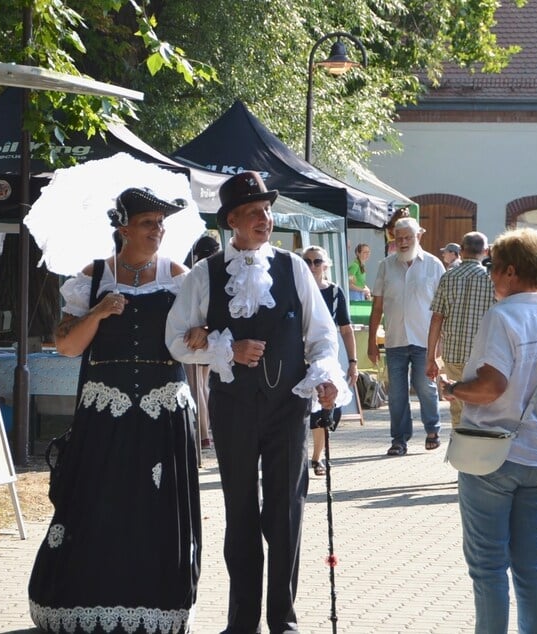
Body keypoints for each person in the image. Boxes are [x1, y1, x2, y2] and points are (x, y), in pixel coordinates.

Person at [166, 171, 346, 634]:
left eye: (267, 210)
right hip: (232, 406)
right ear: (232, 221)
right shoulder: (203, 275)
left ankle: (282, 618)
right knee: (240, 509)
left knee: (285, 511)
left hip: (288, 407)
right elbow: (175, 341)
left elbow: (323, 337)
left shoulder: (293, 268)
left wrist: (325, 376)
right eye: (254, 212)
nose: (265, 218)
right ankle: (241, 621)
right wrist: (224, 350)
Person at [28, 187, 202, 634]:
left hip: (163, 412)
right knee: (99, 503)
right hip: (106, 413)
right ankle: (87, 599)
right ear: (123, 227)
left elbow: (192, 343)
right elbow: (66, 346)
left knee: (155, 508)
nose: (157, 231)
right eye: (148, 223)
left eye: (161, 224)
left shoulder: (179, 276)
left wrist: (201, 333)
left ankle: (160, 606)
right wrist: (100, 312)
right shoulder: (94, 277)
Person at [439, 228, 537, 634]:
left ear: (511, 272)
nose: (490, 276)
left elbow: (490, 387)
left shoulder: (502, 317)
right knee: (532, 562)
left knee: (488, 566)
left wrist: (454, 390)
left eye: (493, 269)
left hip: (493, 456)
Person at [367, 216, 445, 456]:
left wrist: (439, 345)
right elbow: (377, 307)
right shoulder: (385, 266)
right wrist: (371, 342)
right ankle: (399, 439)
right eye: (398, 238)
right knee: (397, 394)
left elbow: (442, 309)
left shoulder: (434, 265)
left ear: (418, 236)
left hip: (425, 340)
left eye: (407, 237)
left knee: (425, 388)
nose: (402, 242)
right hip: (396, 340)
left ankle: (432, 429)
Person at [425, 232, 495, 427]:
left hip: (453, 354)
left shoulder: (448, 277)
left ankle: (460, 447)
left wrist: (431, 358)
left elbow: (436, 319)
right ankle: (477, 449)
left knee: (457, 406)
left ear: (461, 251)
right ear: (486, 251)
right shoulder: (491, 280)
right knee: (479, 406)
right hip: (482, 355)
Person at [302, 245, 359, 476]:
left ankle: (317, 457)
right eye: (307, 261)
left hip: (325, 355)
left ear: (325, 265)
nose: (312, 266)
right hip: (299, 352)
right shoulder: (298, 290)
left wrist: (353, 362)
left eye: (317, 261)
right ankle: (302, 456)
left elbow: (346, 329)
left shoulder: (334, 293)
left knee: (325, 407)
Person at [185, 235, 222, 451]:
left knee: (196, 384)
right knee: (203, 384)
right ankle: (208, 431)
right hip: (213, 334)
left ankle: (203, 433)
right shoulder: (217, 271)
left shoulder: (197, 273)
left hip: (198, 334)